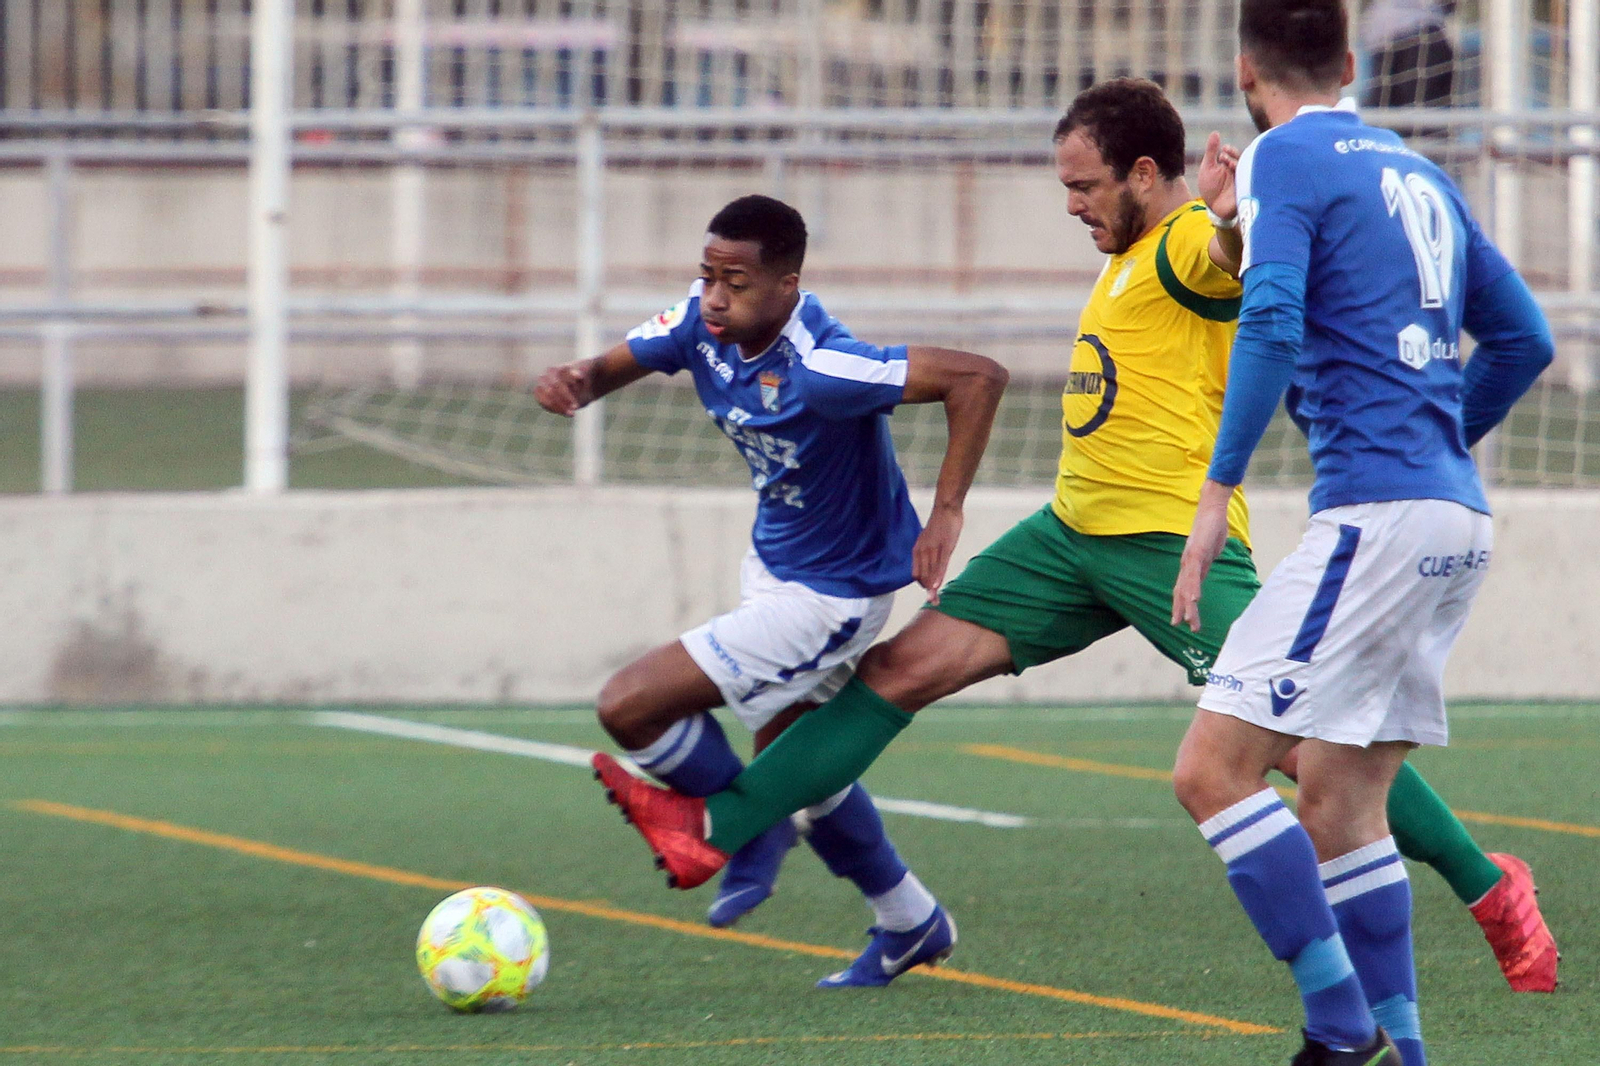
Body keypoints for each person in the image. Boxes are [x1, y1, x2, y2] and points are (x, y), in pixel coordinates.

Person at [588, 80, 1558, 997]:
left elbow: (1234, 272)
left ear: (1145, 174)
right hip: (1068, 536)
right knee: (894, 672)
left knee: (1310, 748)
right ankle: (717, 827)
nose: (1070, 205)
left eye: (1083, 186)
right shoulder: (1131, 253)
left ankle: (1486, 882)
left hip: (1162, 545)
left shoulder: (1183, 243)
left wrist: (1223, 221)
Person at [1167, 2, 1555, 1064]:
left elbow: (1274, 318)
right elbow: (1523, 339)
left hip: (1375, 517)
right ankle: (1406, 1050)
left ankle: (1341, 1029)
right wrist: (1439, 446)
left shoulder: (1283, 155)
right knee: (1341, 801)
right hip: (1450, 520)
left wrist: (1217, 488)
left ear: (1246, 72)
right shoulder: (1417, 170)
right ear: (1348, 62)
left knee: (1211, 771)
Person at [543, 194, 1009, 987]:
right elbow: (615, 363)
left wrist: (947, 513)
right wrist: (578, 381)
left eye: (738, 283)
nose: (717, 297)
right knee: (810, 770)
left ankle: (752, 828)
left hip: (832, 598)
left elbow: (979, 377)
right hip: (773, 567)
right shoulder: (702, 319)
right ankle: (910, 921)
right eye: (709, 276)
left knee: (628, 704)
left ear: (789, 285)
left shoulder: (826, 369)